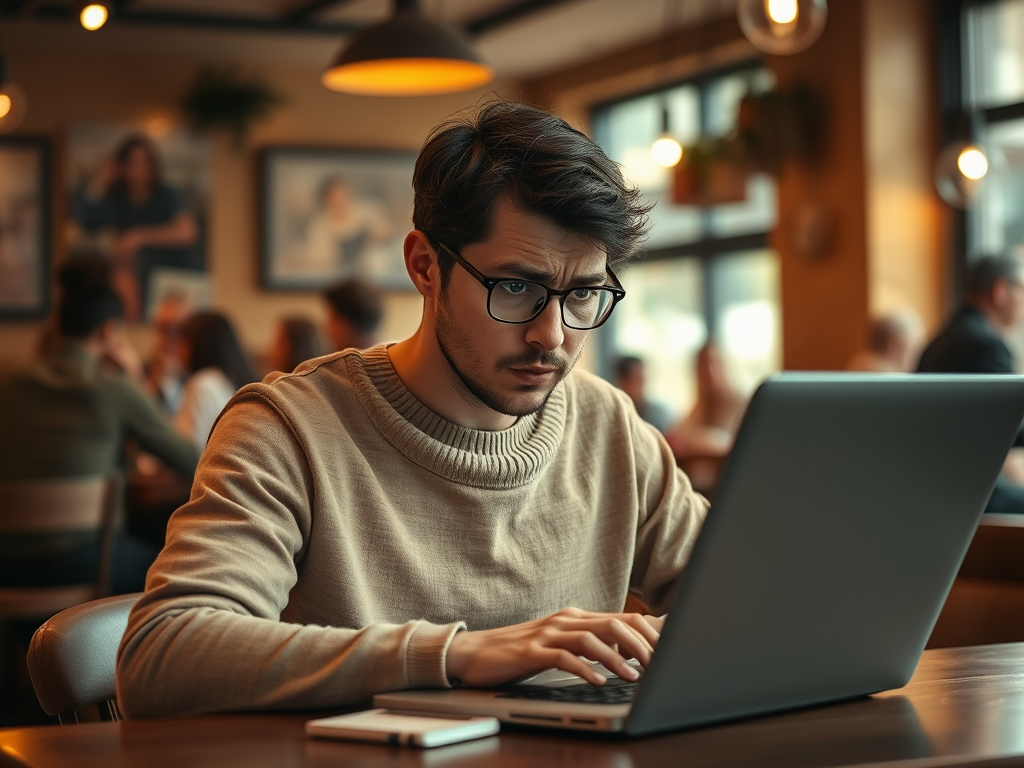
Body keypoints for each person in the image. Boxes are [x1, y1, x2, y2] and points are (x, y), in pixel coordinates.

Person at [116, 101, 708, 719]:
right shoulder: (287, 428)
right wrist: (454, 655)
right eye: (515, 287)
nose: (552, 335)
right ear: (425, 266)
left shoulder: (608, 425)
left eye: (583, 293)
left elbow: (748, 594)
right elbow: (161, 655)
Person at [0, 258, 199, 594]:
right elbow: (191, 458)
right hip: (85, 560)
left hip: (7, 561)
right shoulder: (113, 388)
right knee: (173, 567)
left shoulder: (6, 381)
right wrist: (134, 378)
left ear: (56, 326)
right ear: (110, 331)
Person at [918, 254, 1024, 513]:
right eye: (1022, 288)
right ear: (1000, 291)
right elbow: (1010, 425)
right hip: (967, 494)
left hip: (935, 487)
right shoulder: (983, 344)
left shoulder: (945, 337)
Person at [71, 135, 200, 320]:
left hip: (172, 271)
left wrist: (138, 236)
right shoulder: (118, 200)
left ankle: (131, 322)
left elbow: (187, 232)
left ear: (152, 165)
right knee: (114, 270)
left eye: (143, 162)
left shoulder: (166, 195)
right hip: (136, 270)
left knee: (125, 271)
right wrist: (103, 177)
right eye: (131, 162)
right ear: (122, 166)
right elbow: (85, 218)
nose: (137, 169)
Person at [666, 342, 746, 494]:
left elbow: (730, 443)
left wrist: (695, 439)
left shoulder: (742, 402)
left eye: (714, 363)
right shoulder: (701, 404)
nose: (708, 371)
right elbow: (676, 434)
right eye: (702, 365)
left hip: (736, 488)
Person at [173, 311, 257, 452]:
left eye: (183, 342)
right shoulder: (234, 381)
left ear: (200, 346)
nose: (178, 350)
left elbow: (187, 450)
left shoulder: (202, 384)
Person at [847, 311, 924, 373]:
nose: (917, 358)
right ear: (894, 347)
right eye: (913, 350)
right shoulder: (889, 378)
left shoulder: (855, 366)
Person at [613, 355, 672, 433]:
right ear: (622, 382)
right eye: (638, 379)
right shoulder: (615, 415)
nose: (643, 384)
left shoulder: (659, 413)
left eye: (643, 378)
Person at [323, 277, 384, 351]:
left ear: (344, 325)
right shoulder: (389, 356)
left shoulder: (337, 361)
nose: (325, 327)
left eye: (331, 319)